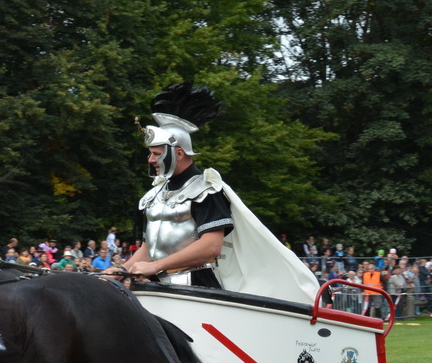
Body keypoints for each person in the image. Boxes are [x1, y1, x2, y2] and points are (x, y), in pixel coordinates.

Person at [112, 83, 316, 302]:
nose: (151, 160)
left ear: (179, 153)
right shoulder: (154, 195)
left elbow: (211, 247)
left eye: (156, 153)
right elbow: (148, 248)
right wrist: (119, 271)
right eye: (150, 153)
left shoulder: (205, 189)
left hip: (195, 289)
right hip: (154, 286)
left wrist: (155, 266)